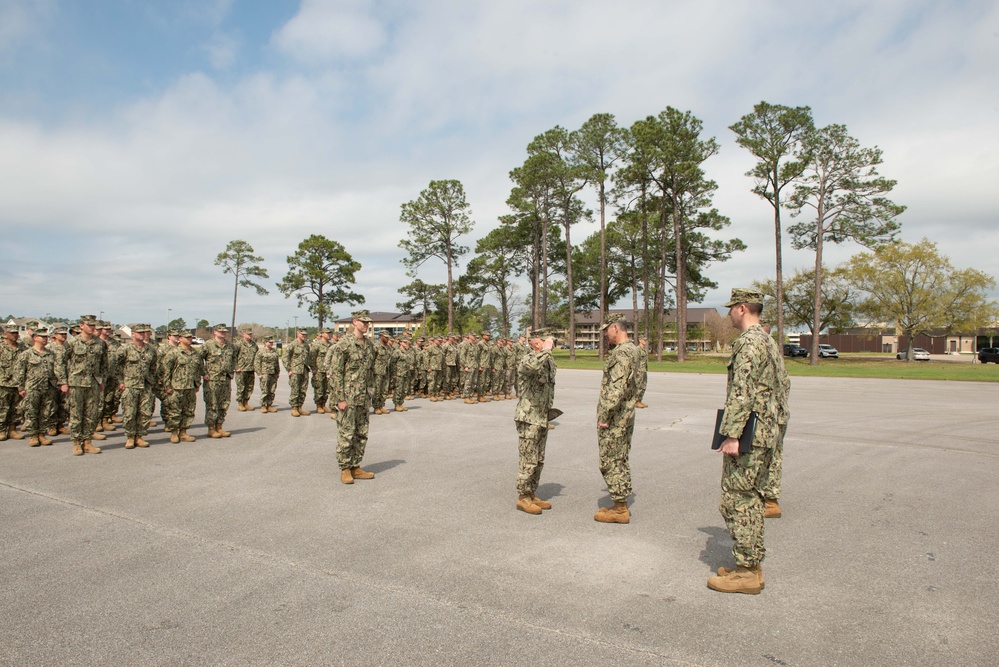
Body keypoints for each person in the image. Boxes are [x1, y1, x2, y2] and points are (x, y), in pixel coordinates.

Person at [707, 288, 790, 595]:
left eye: (731, 309)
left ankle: (746, 572)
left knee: (737, 499)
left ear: (742, 308)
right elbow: (783, 387)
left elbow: (741, 391)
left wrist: (731, 434)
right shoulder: (768, 341)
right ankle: (751, 566)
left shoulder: (748, 343)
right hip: (766, 432)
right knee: (752, 498)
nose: (728, 314)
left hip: (748, 435)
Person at [595, 313, 639, 524]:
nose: (605, 334)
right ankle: (620, 502)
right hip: (626, 413)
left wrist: (605, 415)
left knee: (611, 460)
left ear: (615, 328)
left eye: (606, 330)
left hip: (615, 417)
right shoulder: (634, 350)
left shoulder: (622, 353)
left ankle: (620, 508)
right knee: (620, 457)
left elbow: (616, 388)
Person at [514, 329, 557, 515]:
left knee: (539, 459)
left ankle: (531, 492)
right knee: (528, 458)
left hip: (541, 417)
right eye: (543, 341)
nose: (548, 345)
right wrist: (545, 350)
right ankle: (523, 496)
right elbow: (532, 367)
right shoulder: (527, 359)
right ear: (533, 343)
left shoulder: (547, 361)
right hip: (528, 417)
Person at [330, 310, 376, 484]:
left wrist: (370, 393)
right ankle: (345, 468)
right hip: (348, 398)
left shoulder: (369, 345)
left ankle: (356, 466)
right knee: (346, 434)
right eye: (363, 322)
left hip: (363, 398)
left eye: (368, 323)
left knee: (361, 433)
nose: (366, 325)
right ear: (354, 322)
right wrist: (339, 398)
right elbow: (336, 372)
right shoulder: (344, 344)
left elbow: (370, 371)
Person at [56, 315, 108, 456]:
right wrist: (63, 381)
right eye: (89, 325)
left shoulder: (100, 343)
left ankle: (88, 441)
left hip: (93, 384)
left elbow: (104, 364)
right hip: (76, 383)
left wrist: (102, 381)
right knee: (76, 414)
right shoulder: (72, 343)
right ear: (81, 325)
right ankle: (76, 443)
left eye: (94, 325)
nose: (92, 327)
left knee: (91, 414)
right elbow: (60, 362)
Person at [114, 324, 157, 449]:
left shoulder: (150, 349)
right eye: (140, 333)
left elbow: (154, 366)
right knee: (129, 413)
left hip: (145, 385)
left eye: (145, 332)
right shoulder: (125, 349)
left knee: (145, 412)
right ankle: (130, 437)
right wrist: (120, 381)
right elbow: (115, 366)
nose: (143, 335)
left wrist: (152, 380)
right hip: (130, 385)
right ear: (133, 334)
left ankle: (140, 436)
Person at [14, 326, 57, 447]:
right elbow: (19, 372)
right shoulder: (26, 354)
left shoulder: (51, 354)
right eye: (42, 337)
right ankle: (33, 435)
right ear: (35, 338)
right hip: (32, 388)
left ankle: (42, 434)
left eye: (46, 337)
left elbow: (55, 371)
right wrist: (21, 388)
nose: (45, 339)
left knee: (45, 412)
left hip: (48, 388)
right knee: (31, 412)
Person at [162, 331, 203, 442]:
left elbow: (198, 369)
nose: (189, 339)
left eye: (190, 337)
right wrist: (167, 386)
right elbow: (166, 371)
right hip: (176, 387)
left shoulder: (195, 353)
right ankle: (174, 433)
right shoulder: (173, 353)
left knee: (189, 411)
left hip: (190, 387)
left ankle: (183, 432)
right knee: (175, 411)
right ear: (180, 339)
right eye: (187, 338)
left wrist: (197, 383)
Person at [200, 323, 235, 438]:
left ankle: (219, 427)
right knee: (212, 404)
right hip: (212, 380)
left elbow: (233, 358)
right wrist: (203, 373)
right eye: (220, 331)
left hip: (225, 379)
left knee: (224, 404)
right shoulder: (208, 345)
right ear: (215, 332)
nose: (223, 333)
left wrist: (231, 371)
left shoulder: (229, 346)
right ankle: (211, 428)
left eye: (224, 331)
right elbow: (198, 359)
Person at [0, 324, 25, 442]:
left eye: (16, 333)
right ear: (6, 334)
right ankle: (1, 429)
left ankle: (12, 429)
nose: (15, 335)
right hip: (3, 382)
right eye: (12, 333)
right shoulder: (1, 347)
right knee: (3, 407)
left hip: (18, 383)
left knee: (16, 408)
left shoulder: (22, 348)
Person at [283, 328, 311, 417]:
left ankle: (300, 407)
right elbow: (285, 357)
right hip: (295, 371)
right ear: (298, 334)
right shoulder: (292, 345)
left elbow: (308, 357)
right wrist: (289, 369)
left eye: (305, 334)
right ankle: (294, 408)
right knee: (295, 390)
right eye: (302, 334)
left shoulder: (306, 345)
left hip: (304, 370)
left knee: (303, 390)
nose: (304, 336)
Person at [254, 336, 280, 413]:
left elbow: (276, 363)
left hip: (273, 373)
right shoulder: (261, 352)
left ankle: (269, 405)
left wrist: (277, 372)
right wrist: (259, 373)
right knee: (265, 390)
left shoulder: (274, 351)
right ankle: (263, 405)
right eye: (269, 342)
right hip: (264, 373)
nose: (271, 343)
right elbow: (257, 363)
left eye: (272, 342)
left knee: (272, 390)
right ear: (265, 342)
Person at [234, 328, 257, 412]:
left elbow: (257, 356)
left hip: (251, 369)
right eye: (248, 334)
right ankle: (240, 404)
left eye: (251, 334)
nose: (250, 336)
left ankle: (246, 403)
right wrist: (236, 367)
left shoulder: (254, 344)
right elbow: (233, 356)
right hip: (241, 369)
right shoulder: (238, 344)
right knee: (241, 387)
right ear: (243, 334)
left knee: (249, 387)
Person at [635, 338, 649, 409]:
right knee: (639, 386)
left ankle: (640, 400)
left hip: (644, 370)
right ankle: (636, 401)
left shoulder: (644, 349)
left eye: (646, 340)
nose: (645, 341)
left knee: (643, 386)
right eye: (644, 340)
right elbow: (635, 360)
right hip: (639, 370)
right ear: (640, 340)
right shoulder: (638, 349)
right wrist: (636, 370)